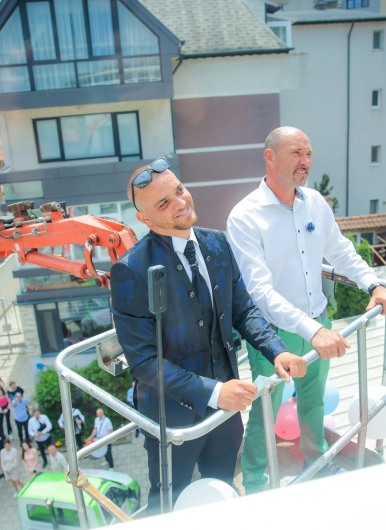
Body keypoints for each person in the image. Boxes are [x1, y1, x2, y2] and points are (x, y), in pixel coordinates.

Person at [110, 159, 306, 511]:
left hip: (225, 415)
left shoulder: (217, 243)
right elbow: (144, 362)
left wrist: (277, 350)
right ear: (145, 218)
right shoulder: (130, 270)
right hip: (172, 418)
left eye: (179, 190)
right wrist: (215, 393)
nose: (180, 203)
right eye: (164, 203)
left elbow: (243, 310)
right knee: (167, 504)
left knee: (222, 491)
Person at [226, 126, 386, 494]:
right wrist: (313, 330)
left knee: (312, 402)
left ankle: (317, 462)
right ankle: (255, 484)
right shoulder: (244, 216)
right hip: (274, 336)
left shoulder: (315, 203)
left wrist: (374, 284)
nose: (305, 161)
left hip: (320, 321)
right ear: (270, 157)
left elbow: (341, 251)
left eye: (309, 154)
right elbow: (259, 291)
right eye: (296, 153)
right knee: (265, 412)